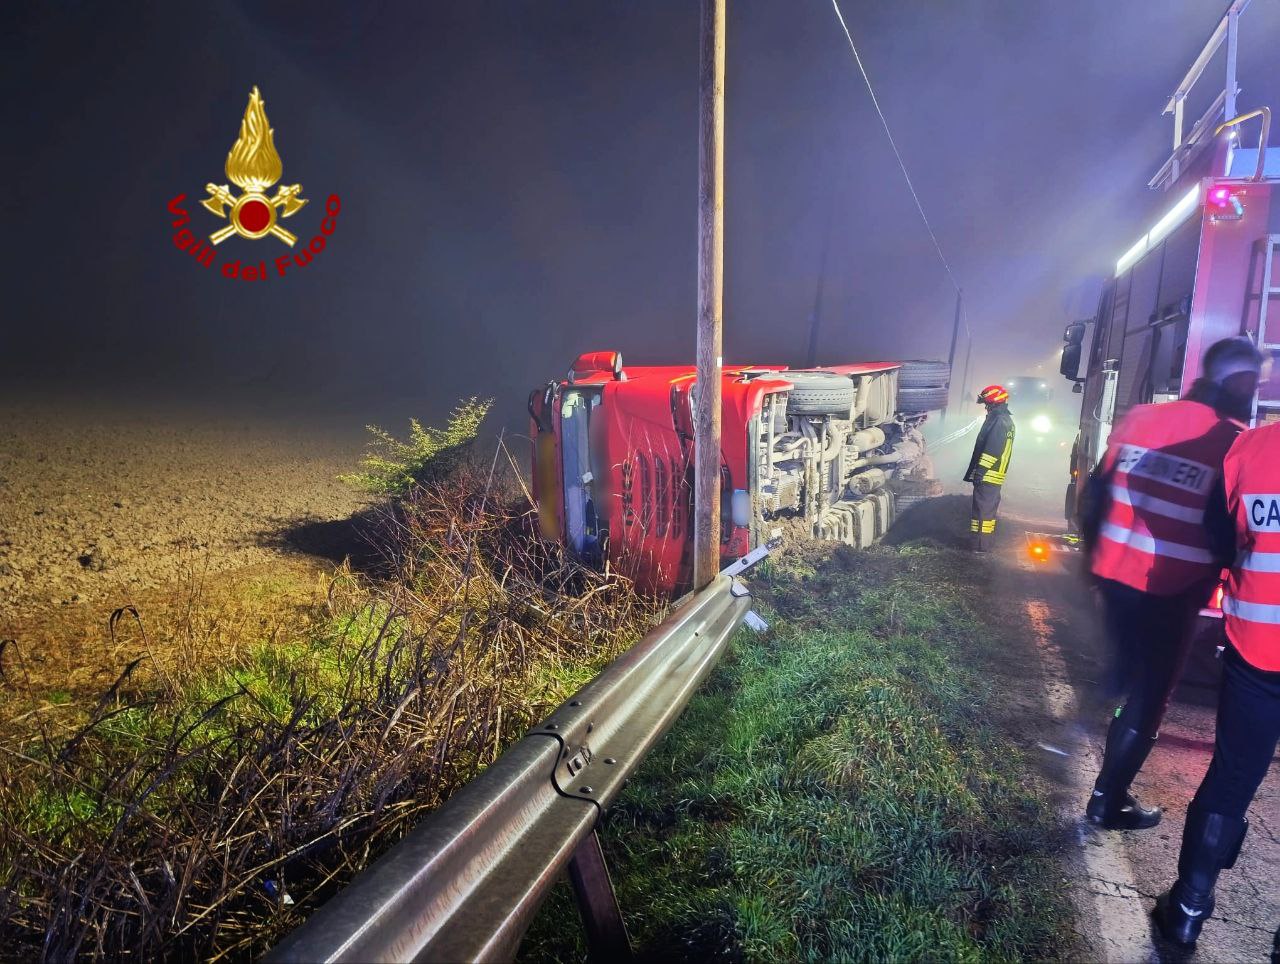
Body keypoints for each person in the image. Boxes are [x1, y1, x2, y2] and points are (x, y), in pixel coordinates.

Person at [1080, 336, 1264, 830]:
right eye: (1253, 382)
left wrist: (1090, 560)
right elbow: (1222, 527)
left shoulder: (1141, 418)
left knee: (1126, 674)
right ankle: (1108, 799)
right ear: (1239, 382)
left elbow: (1096, 494)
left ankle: (1105, 697)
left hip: (1115, 576)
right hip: (1172, 589)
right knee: (1150, 694)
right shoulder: (1232, 439)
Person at [1154, 417, 1280, 948]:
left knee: (1231, 778)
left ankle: (1188, 907)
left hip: (1260, 647)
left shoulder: (1250, 449)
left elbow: (1219, 540)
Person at [964, 385, 1015, 551]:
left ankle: (979, 547)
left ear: (993, 403)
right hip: (994, 475)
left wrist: (980, 471)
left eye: (987, 403)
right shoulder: (1005, 420)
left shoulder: (999, 421)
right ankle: (983, 545)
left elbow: (992, 450)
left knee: (982, 513)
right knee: (987, 514)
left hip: (988, 475)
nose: (985, 407)